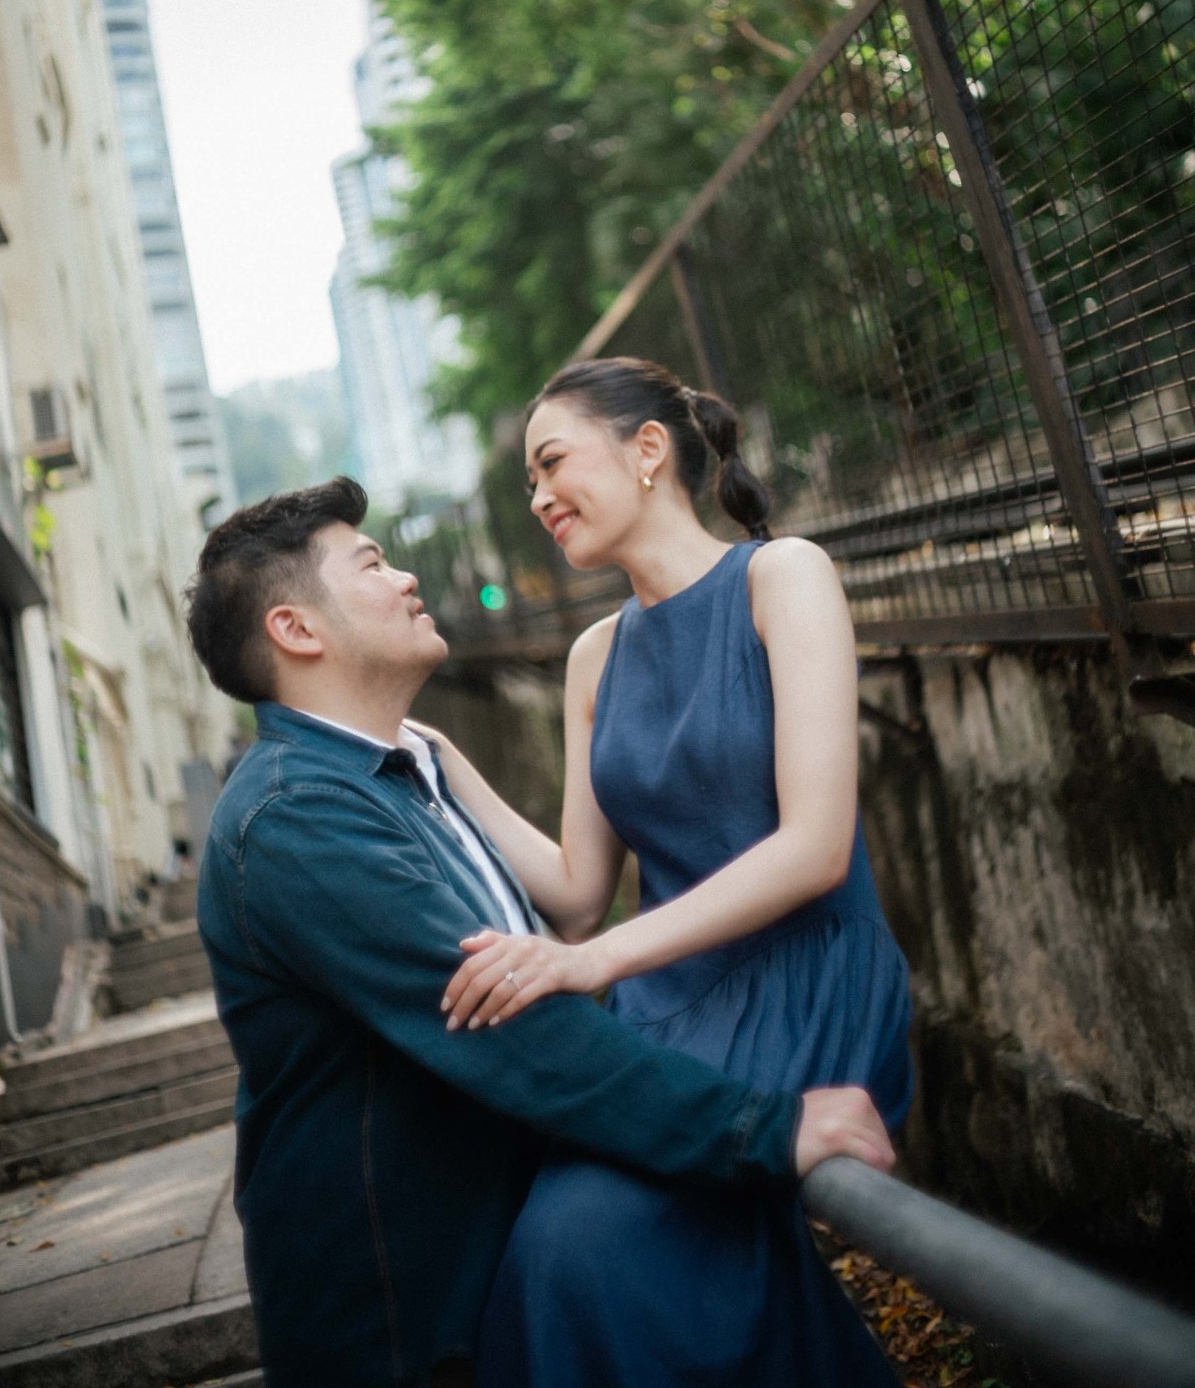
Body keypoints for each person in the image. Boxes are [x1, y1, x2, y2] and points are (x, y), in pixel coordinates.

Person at [186, 477, 896, 1388]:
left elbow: (555, 932)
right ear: (296, 629)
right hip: (406, 1323)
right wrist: (763, 1127)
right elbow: (515, 1026)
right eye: (371, 564)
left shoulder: (397, 776)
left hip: (495, 1268)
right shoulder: (297, 818)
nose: (407, 577)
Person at [429, 359, 912, 1387]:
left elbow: (815, 846)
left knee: (591, 1250)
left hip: (799, 985)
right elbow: (576, 890)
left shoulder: (783, 576)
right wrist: (439, 759)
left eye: (551, 463)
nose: (537, 497)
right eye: (528, 479)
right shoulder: (592, 656)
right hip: (661, 1014)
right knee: (543, 1255)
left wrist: (594, 962)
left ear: (647, 450)